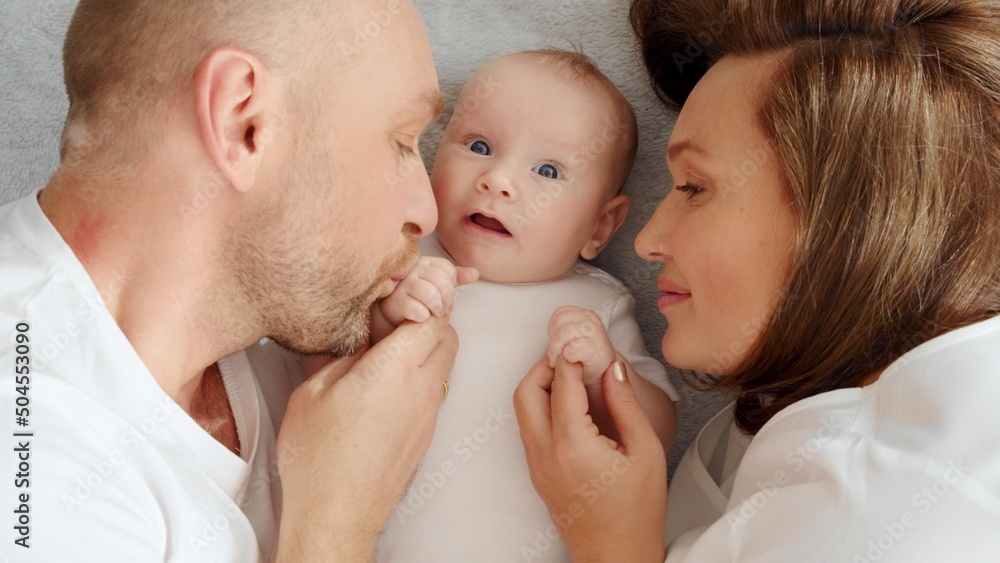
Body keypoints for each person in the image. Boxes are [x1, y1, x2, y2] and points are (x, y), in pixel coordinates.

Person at [514, 0, 1000, 561]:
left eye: (693, 187)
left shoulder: (893, 505)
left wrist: (611, 539)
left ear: (849, 218)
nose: (646, 239)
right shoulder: (834, 416)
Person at [0, 1, 467, 561]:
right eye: (400, 141)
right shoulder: (33, 467)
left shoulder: (262, 338)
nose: (428, 212)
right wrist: (333, 529)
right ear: (242, 124)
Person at [369, 50, 680, 561]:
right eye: (478, 145)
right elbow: (327, 361)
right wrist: (387, 317)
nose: (499, 180)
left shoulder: (596, 303)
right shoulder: (401, 255)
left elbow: (656, 435)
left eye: (548, 171)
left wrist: (606, 373)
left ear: (601, 227)